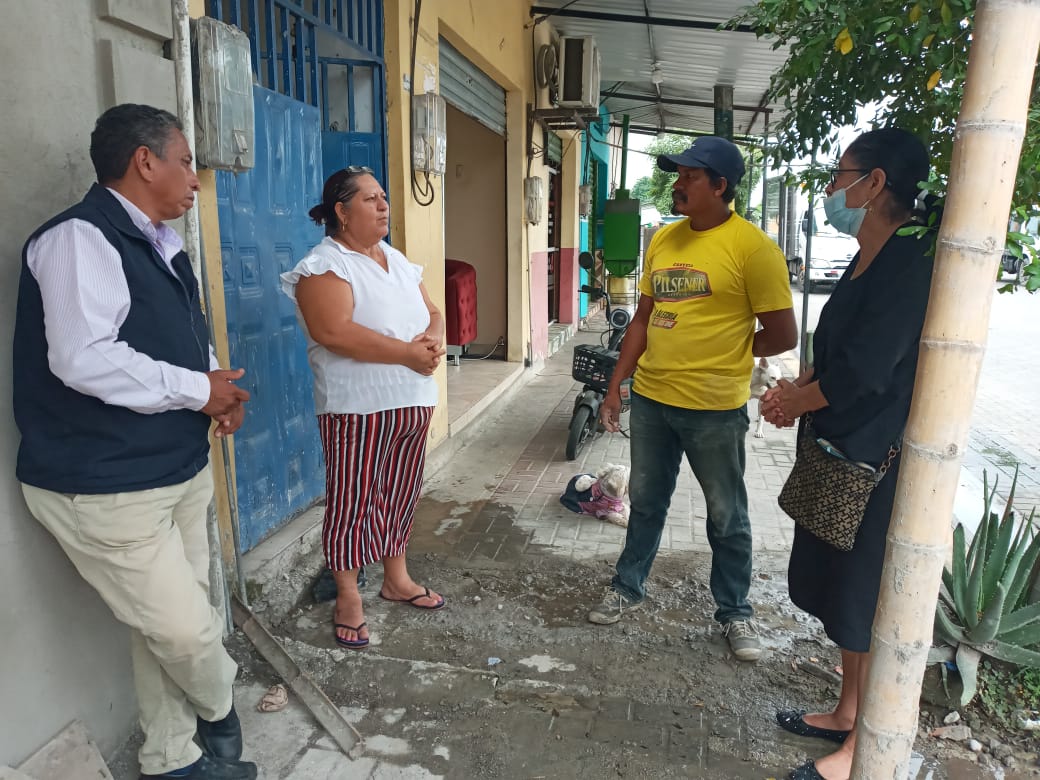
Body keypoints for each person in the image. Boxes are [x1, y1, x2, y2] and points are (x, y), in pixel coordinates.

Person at [13, 105, 256, 779]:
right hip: (105, 483)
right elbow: (83, 358)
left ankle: (171, 759)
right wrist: (196, 389)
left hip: (177, 467)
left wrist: (218, 391)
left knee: (166, 625)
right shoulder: (78, 239)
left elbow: (184, 338)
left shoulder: (162, 243)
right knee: (185, 630)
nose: (195, 179)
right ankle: (219, 707)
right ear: (145, 161)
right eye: (186, 161)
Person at [759, 128, 933, 780]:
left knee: (863, 598)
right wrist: (796, 392)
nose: (832, 191)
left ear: (875, 183)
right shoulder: (867, 257)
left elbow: (866, 370)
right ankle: (846, 710)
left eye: (840, 177)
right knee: (838, 592)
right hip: (837, 449)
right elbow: (833, 351)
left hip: (872, 461)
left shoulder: (909, 262)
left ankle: (864, 746)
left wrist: (796, 402)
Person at [586, 136, 798, 662]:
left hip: (714, 408)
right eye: (677, 175)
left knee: (726, 514)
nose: (677, 185)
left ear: (720, 186)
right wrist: (616, 386)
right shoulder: (663, 238)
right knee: (646, 502)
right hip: (653, 400)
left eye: (689, 176)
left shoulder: (753, 249)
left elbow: (783, 333)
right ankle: (627, 586)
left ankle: (735, 612)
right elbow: (642, 319)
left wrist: (732, 346)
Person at [281, 166, 446, 652]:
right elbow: (333, 331)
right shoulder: (324, 265)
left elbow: (433, 311)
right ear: (341, 211)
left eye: (384, 197)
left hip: (412, 400)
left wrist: (433, 339)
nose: (383, 206)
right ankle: (349, 594)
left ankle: (396, 577)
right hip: (357, 406)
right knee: (353, 500)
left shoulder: (396, 259)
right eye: (370, 199)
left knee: (400, 493)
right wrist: (408, 354)